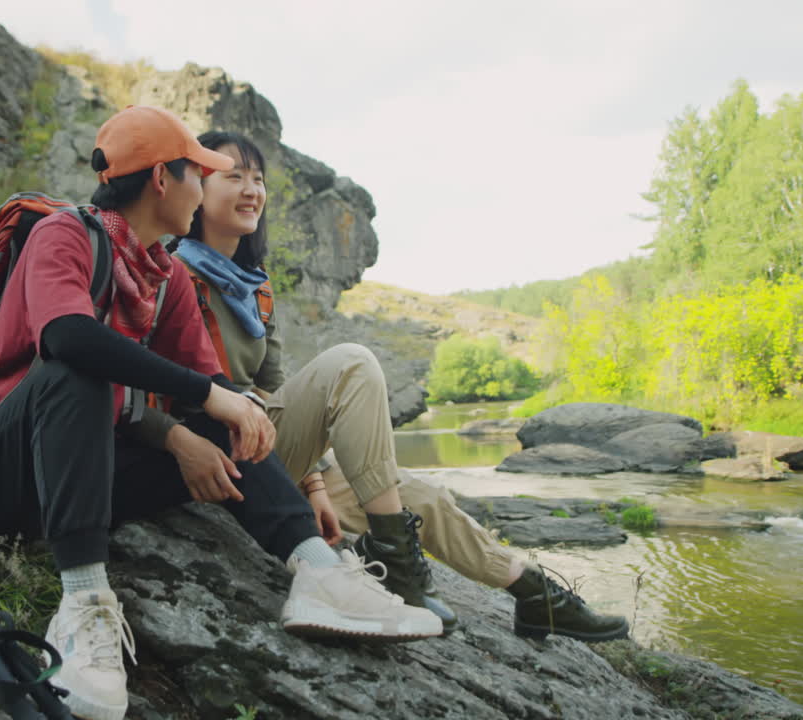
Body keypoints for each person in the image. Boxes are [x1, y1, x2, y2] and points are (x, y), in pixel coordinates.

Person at [0, 108, 441, 720]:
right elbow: (67, 339)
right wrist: (199, 410)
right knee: (76, 364)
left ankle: (319, 574)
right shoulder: (63, 235)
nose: (204, 191)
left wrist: (223, 415)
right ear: (163, 178)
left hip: (75, 481)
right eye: (201, 175)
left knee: (229, 415)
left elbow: (210, 388)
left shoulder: (163, 275)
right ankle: (84, 605)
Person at [170, 129, 630, 644]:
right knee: (351, 363)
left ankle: (535, 595)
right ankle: (401, 573)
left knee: (418, 495)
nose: (252, 189)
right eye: (234, 177)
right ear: (196, 188)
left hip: (269, 455)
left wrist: (316, 485)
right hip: (215, 456)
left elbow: (275, 389)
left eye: (259, 179)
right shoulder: (171, 271)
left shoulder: (256, 288)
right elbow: (152, 386)